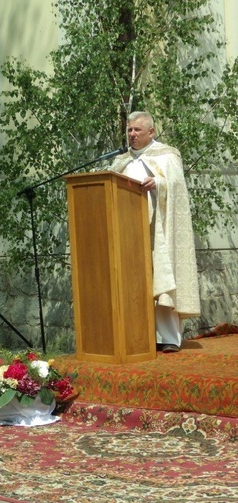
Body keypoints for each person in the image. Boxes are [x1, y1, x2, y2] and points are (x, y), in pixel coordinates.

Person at [110, 111, 201, 353]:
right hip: (129, 233)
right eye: (129, 130)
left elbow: (176, 186)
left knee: (161, 279)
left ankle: (169, 337)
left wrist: (158, 183)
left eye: (137, 130)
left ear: (151, 131)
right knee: (135, 284)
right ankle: (139, 336)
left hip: (159, 231)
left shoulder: (167, 156)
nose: (132, 135)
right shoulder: (120, 161)